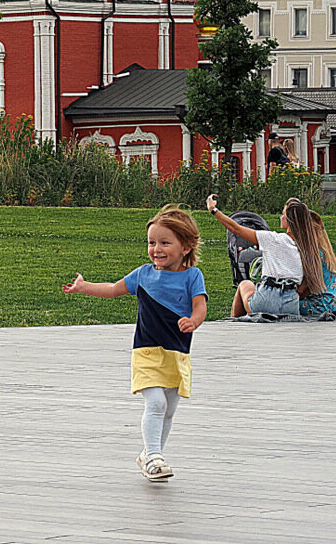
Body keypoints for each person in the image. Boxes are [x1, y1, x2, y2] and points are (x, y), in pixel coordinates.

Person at [62, 205, 207, 483]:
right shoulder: (143, 274)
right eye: (152, 242)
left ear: (186, 246)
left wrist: (193, 320)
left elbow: (200, 306)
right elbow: (114, 288)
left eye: (165, 242)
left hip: (177, 353)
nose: (156, 249)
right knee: (155, 403)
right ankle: (153, 456)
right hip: (147, 352)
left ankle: (151, 454)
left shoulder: (192, 276)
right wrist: (84, 286)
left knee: (169, 409)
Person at [205, 195, 325, 317]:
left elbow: (235, 228)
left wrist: (213, 209)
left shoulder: (273, 239)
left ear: (289, 220)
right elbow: (308, 284)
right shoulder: (309, 248)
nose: (280, 217)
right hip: (290, 305)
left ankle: (234, 326)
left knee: (245, 284)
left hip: (264, 301)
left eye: (283, 214)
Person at [299, 211, 336, 316]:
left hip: (320, 306)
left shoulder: (314, 256)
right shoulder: (325, 252)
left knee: (282, 307)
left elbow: (304, 289)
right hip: (334, 304)